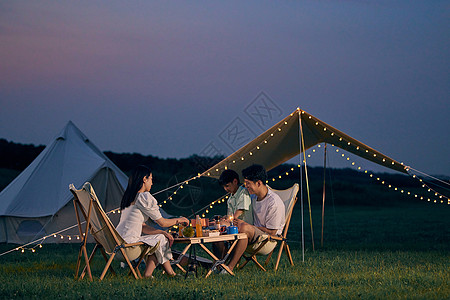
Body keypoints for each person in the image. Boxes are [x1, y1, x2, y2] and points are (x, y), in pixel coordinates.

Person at [116, 165, 189, 278]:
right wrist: (180, 220)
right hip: (129, 247)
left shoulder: (129, 197)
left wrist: (162, 232)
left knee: (159, 239)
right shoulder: (143, 197)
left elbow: (142, 226)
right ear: (144, 179)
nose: (152, 183)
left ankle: (155, 274)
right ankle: (169, 274)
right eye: (151, 179)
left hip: (116, 246)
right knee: (161, 240)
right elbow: (163, 223)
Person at [223, 164, 285, 273]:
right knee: (224, 226)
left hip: (267, 241)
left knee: (243, 227)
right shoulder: (252, 197)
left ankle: (230, 267)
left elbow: (273, 231)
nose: (245, 186)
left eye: (248, 183)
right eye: (245, 183)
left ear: (259, 183)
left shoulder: (274, 203)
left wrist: (248, 226)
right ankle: (220, 264)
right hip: (249, 235)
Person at [213, 169, 253, 258]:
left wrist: (230, 218)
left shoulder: (243, 192)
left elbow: (241, 209)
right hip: (234, 225)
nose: (225, 189)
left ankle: (222, 259)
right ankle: (220, 259)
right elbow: (230, 216)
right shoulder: (230, 198)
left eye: (227, 186)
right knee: (217, 226)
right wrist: (226, 218)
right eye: (224, 187)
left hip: (245, 227)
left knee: (220, 225)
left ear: (235, 181)